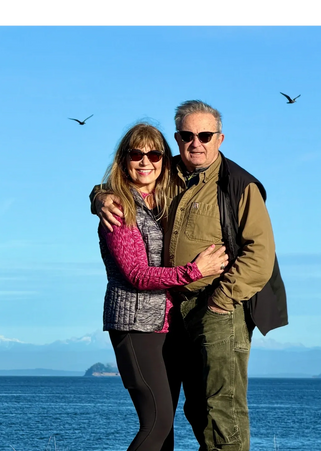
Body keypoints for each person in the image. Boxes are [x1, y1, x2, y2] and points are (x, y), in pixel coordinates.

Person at [93, 101, 288, 451]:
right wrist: (100, 196)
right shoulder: (169, 175)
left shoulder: (239, 185)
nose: (195, 142)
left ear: (220, 138)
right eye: (186, 135)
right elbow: (124, 184)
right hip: (168, 314)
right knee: (189, 411)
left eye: (205, 135)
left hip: (218, 309)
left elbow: (260, 255)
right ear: (178, 138)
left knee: (220, 410)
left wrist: (219, 301)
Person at [97, 122, 229, 451]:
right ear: (122, 160)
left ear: (163, 161)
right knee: (157, 423)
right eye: (136, 154)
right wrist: (194, 271)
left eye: (154, 154)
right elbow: (138, 275)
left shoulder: (162, 201)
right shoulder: (119, 208)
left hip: (165, 324)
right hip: (134, 325)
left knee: (165, 433)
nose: (146, 161)